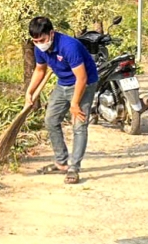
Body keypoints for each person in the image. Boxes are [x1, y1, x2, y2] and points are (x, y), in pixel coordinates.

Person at [23, 15, 99, 185]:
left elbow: (82, 78)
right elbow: (40, 70)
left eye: (42, 40)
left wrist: (74, 103)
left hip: (84, 84)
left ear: (51, 33)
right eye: (35, 41)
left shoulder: (69, 46)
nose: (39, 44)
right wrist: (30, 91)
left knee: (78, 125)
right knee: (51, 120)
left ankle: (74, 168)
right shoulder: (39, 48)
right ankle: (61, 162)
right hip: (63, 83)